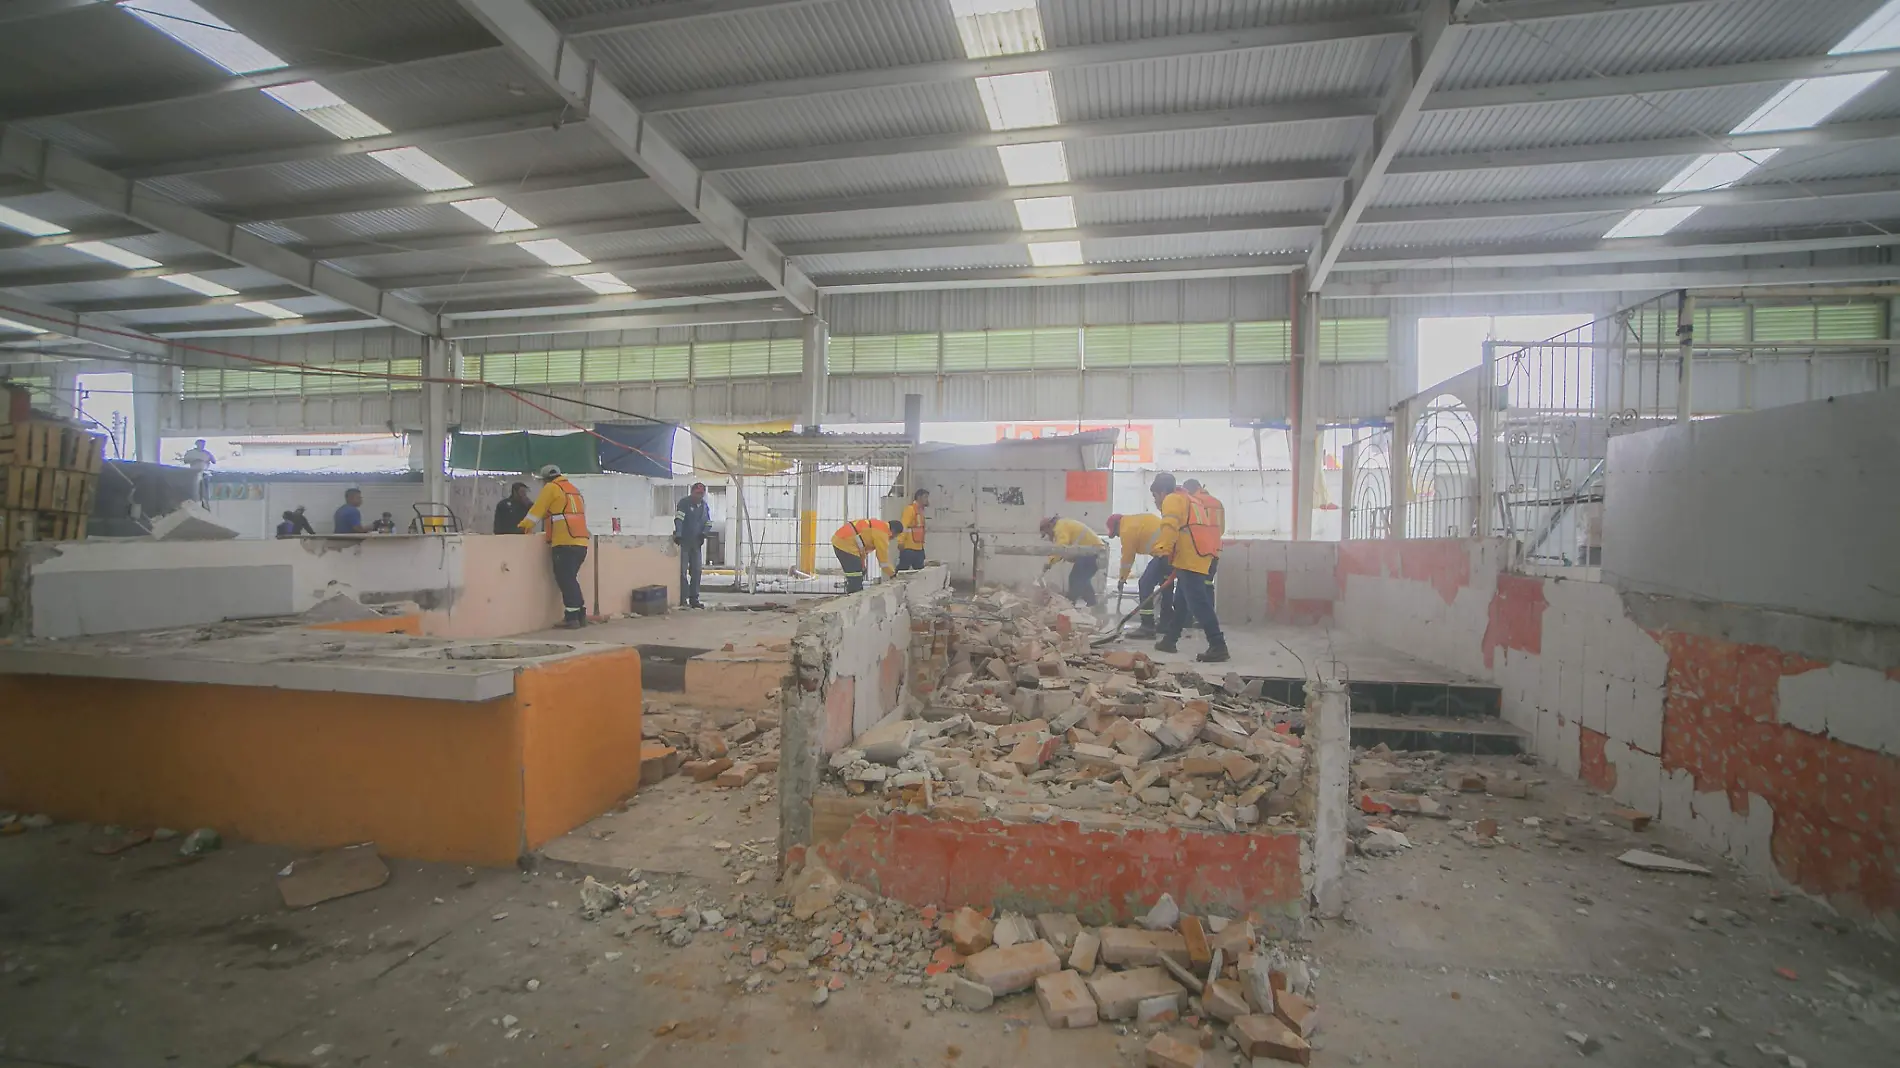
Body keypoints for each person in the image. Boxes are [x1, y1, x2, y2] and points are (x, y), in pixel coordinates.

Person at [1151, 471, 1228, 662]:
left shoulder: (1172, 499)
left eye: (1154, 496)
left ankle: (1218, 644)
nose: (1155, 501)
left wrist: (1163, 549)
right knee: (1183, 601)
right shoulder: (1189, 499)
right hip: (1200, 553)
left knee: (1198, 602)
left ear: (1161, 492)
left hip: (1191, 556)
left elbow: (1170, 525)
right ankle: (1170, 639)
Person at [518, 463, 591, 629]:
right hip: (581, 542)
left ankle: (572, 617)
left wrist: (524, 526)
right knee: (571, 579)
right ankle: (579, 615)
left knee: (565, 579)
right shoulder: (573, 489)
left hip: (565, 541)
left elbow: (537, 510)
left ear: (545, 479)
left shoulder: (552, 488)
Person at [1107, 511, 1171, 638]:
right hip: (1171, 550)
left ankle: (1147, 626)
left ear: (1117, 525)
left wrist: (1122, 578)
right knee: (1166, 586)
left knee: (1145, 584)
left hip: (1163, 552)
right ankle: (1166, 622)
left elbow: (1127, 557)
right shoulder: (1135, 520)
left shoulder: (1126, 529)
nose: (1119, 536)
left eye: (1116, 533)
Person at [1039, 515, 1104, 607]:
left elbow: (1061, 548)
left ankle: (1069, 603)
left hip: (1091, 553)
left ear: (1049, 526)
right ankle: (1092, 604)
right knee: (1082, 579)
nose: (1049, 537)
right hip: (1092, 552)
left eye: (1047, 533)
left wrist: (1050, 562)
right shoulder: (1063, 524)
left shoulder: (1059, 527)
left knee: (1076, 579)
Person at [832, 517, 901, 594]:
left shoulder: (879, 526)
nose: (893, 538)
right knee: (855, 577)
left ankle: (853, 594)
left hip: (842, 540)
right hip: (845, 544)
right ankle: (853, 600)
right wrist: (893, 574)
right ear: (894, 532)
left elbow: (861, 546)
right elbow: (883, 561)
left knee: (858, 571)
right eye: (896, 536)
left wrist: (862, 564)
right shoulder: (882, 534)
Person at [673, 482, 712, 609]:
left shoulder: (704, 507)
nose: (699, 496)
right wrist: (678, 534)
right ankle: (683, 598)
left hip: (696, 543)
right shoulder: (684, 503)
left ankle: (694, 598)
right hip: (685, 541)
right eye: (697, 493)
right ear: (692, 492)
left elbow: (708, 522)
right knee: (682, 572)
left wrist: (704, 533)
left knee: (696, 571)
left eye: (702, 494)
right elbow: (679, 519)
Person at [896, 489, 929, 571]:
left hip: (919, 548)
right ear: (919, 497)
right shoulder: (910, 509)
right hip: (909, 548)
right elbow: (903, 526)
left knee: (920, 572)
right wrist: (900, 541)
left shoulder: (920, 511)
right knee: (902, 570)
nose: (927, 500)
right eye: (925, 497)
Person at [181, 438, 214, 505]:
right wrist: (195, 459)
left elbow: (213, 461)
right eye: (200, 444)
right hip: (193, 473)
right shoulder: (191, 452)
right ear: (196, 444)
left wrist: (207, 458)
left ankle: (206, 500)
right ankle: (195, 500)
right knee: (195, 488)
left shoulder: (206, 453)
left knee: (204, 488)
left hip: (204, 472)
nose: (202, 446)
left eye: (203, 445)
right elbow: (185, 460)